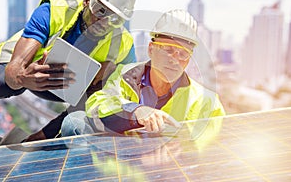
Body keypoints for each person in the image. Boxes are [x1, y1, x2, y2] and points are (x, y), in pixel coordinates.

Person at [0, 0, 138, 141]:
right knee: (0, 85)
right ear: (87, 0)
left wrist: (110, 70)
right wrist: (22, 78)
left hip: (63, 85)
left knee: (102, 93)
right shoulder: (53, 11)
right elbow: (14, 69)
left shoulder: (124, 43)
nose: (104, 22)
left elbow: (125, 95)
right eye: (100, 10)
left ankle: (43, 136)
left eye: (115, 19)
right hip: (16, 71)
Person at [60, 9, 226, 136]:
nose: (175, 60)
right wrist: (135, 111)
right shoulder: (125, 75)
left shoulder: (206, 102)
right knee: (74, 122)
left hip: (168, 171)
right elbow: (97, 104)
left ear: (189, 60)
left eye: (183, 54)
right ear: (151, 49)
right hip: (121, 160)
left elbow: (211, 148)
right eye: (168, 50)